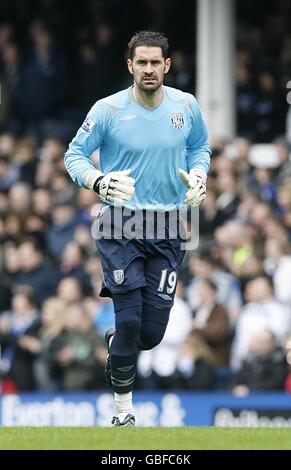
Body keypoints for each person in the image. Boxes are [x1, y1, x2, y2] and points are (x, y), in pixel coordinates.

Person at [64, 31, 211, 426]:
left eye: (155, 62)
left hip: (167, 227)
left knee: (150, 334)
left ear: (167, 65)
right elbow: (74, 154)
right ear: (130, 66)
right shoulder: (108, 110)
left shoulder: (187, 106)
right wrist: (97, 181)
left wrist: (199, 175)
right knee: (128, 320)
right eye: (140, 62)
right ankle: (123, 413)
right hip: (120, 223)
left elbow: (200, 147)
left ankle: (118, 344)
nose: (148, 69)